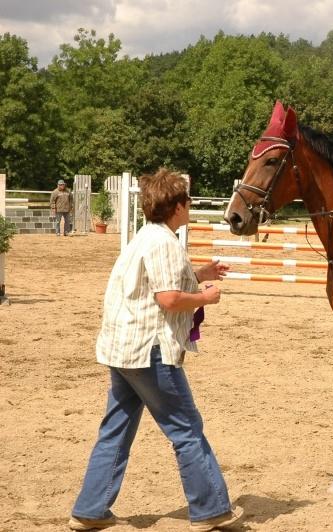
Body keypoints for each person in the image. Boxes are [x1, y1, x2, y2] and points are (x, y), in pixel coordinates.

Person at [68, 169, 241, 532]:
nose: (189, 206)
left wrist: (201, 272)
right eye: (187, 201)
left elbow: (158, 282)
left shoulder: (145, 237)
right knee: (186, 429)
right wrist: (205, 297)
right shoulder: (165, 243)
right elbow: (169, 298)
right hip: (150, 351)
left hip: (123, 350)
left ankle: (90, 509)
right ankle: (210, 509)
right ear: (177, 206)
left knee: (116, 430)